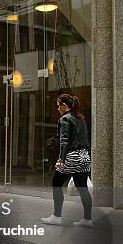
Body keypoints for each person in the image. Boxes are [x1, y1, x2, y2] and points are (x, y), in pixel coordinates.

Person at [41, 94, 93, 228]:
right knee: (83, 188)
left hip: (71, 156)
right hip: (84, 156)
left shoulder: (64, 119)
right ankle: (87, 219)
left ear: (64, 105)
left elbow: (64, 141)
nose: (57, 108)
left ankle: (56, 216)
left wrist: (61, 159)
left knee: (56, 182)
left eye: (58, 105)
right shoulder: (81, 118)